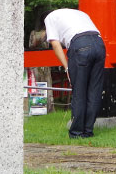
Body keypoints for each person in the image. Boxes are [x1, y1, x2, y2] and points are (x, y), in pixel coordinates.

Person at [44, 8, 105, 139]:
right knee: (94, 91)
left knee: (79, 91)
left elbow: (55, 44)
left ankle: (76, 133)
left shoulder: (50, 17)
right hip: (99, 44)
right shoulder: (81, 13)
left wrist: (66, 67)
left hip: (80, 45)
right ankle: (88, 131)